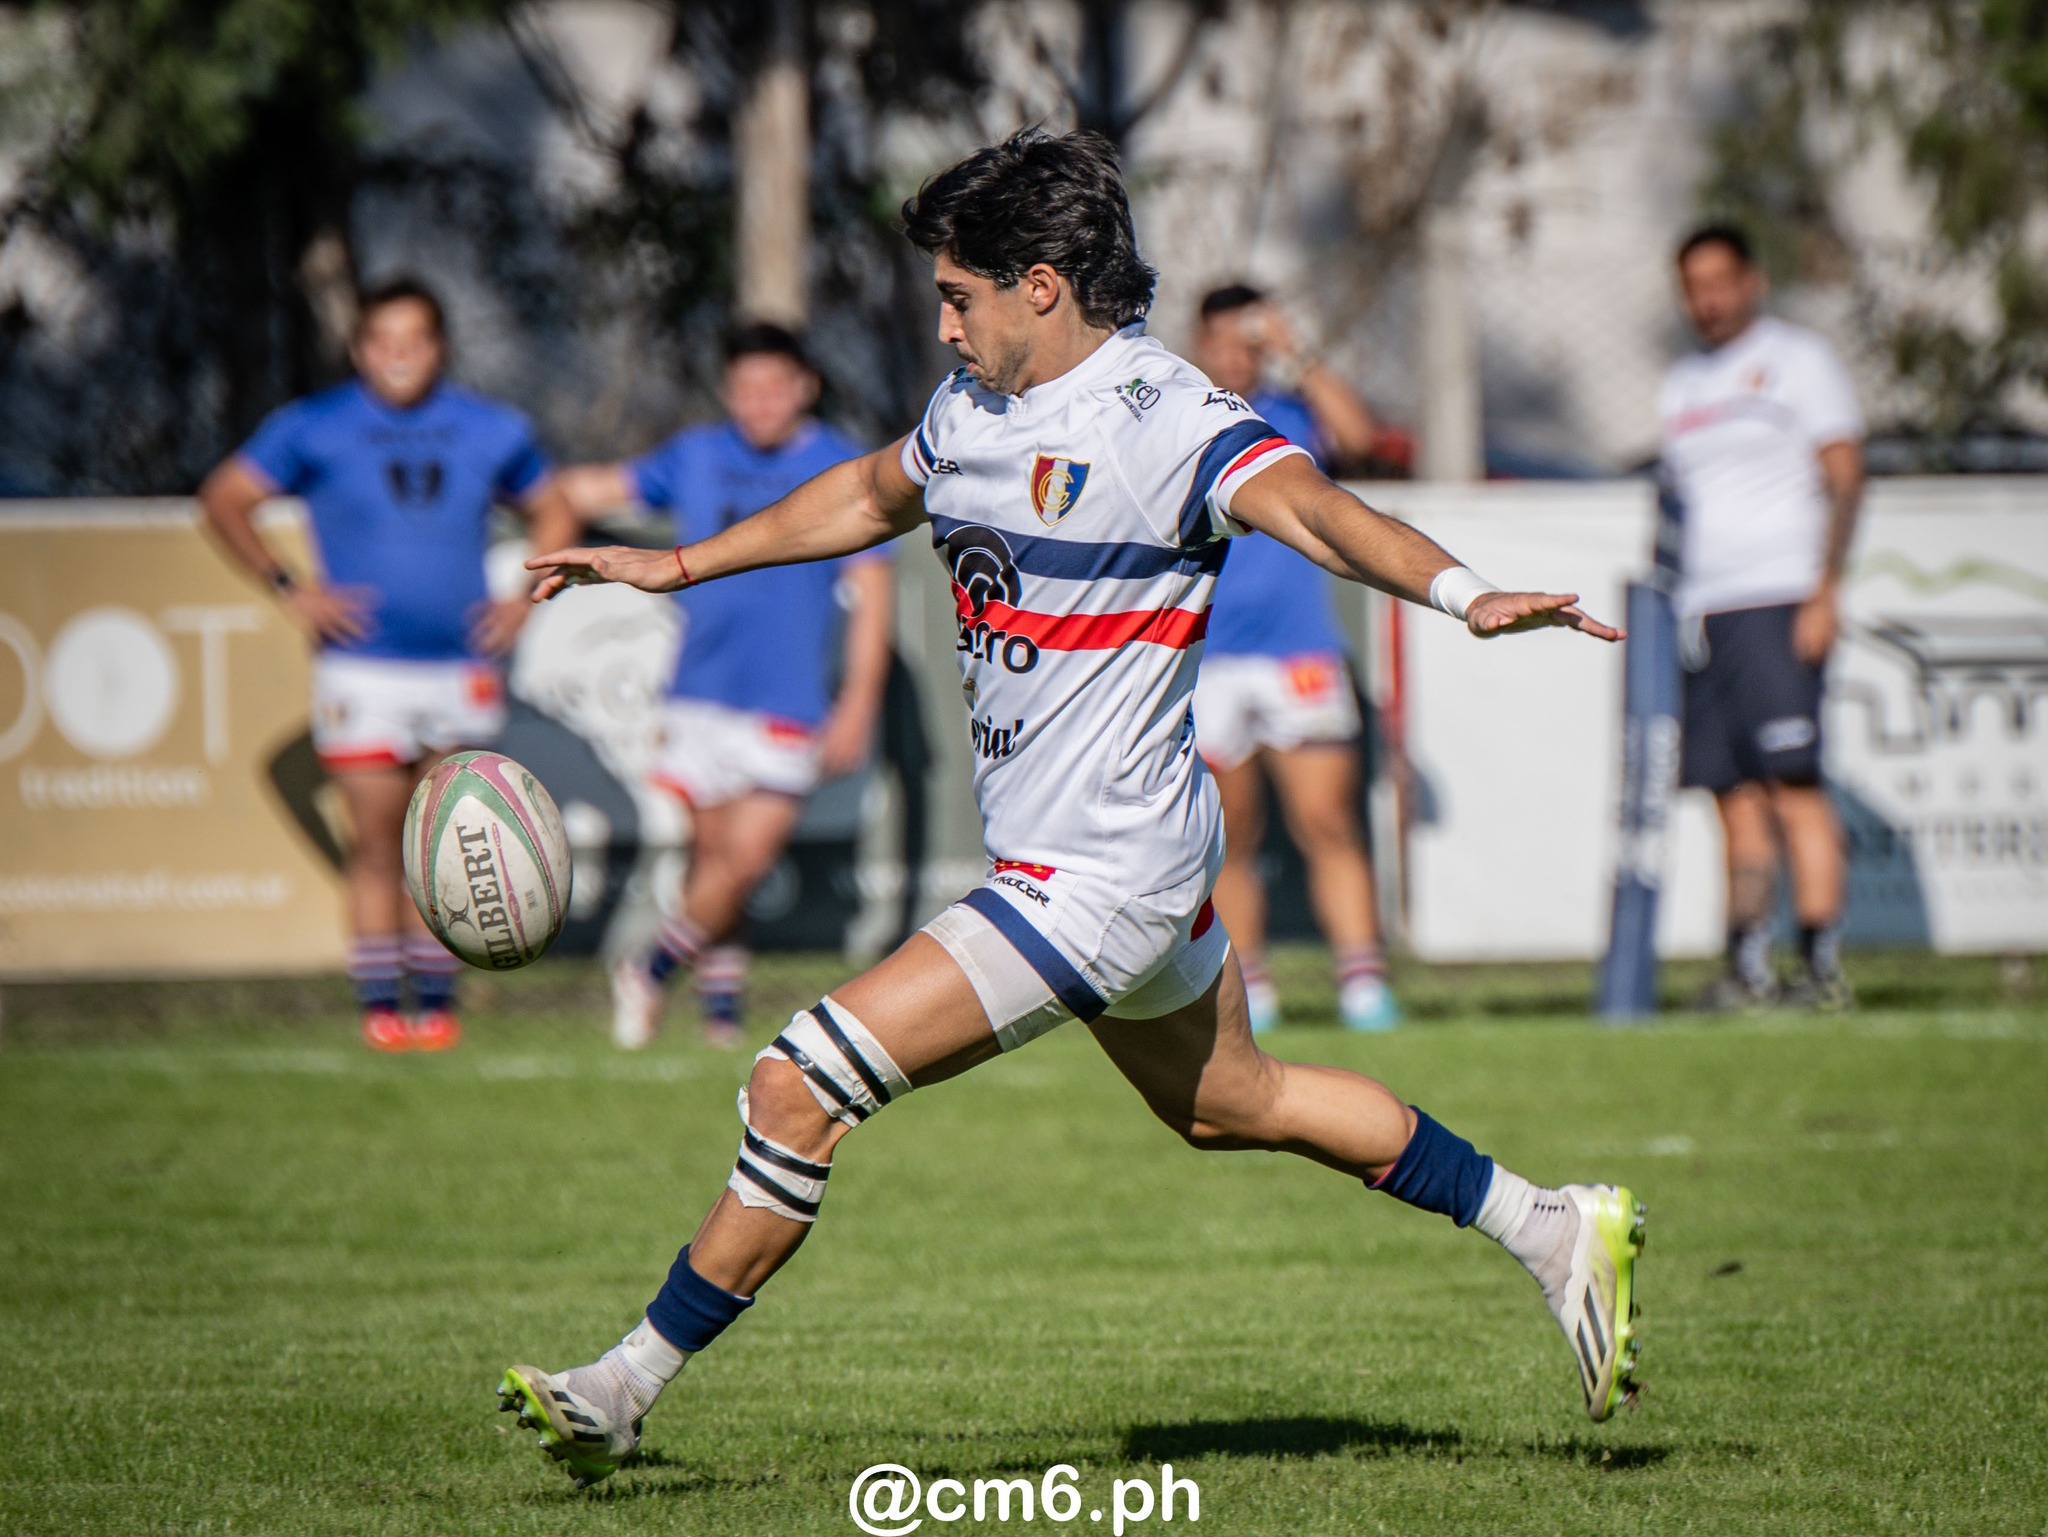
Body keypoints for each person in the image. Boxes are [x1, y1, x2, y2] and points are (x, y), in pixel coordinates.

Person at [499, 130, 1643, 1489]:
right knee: (1234, 1103)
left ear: (1041, 286)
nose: (942, 322)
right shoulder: (968, 414)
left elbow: (1322, 514)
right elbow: (868, 493)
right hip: (1117, 858)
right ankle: (1554, 1225)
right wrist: (680, 563)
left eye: (958, 296)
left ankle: (622, 1385)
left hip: (1100, 874)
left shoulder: (1172, 418)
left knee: (797, 1080)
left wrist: (1464, 593)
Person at [200, 278, 578, 1052]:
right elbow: (224, 498)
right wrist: (290, 589)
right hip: (363, 669)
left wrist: (520, 599)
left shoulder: (488, 427)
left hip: (459, 666)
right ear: (359, 348)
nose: (399, 356)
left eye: (416, 340)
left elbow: (557, 504)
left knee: (446, 843)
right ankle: (381, 1010)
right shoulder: (314, 425)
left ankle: (437, 1010)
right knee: (378, 841)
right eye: (384, 341)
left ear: (440, 347)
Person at [555, 324, 893, 1049]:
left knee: (746, 860)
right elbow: (578, 488)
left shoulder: (844, 468)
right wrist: (542, 521)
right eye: (745, 388)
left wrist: (859, 699)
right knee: (715, 866)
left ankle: (646, 969)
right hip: (700, 691)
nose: (759, 402)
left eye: (775, 386)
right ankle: (720, 1017)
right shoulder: (696, 454)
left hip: (789, 697)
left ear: (805, 387)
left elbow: (872, 593)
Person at [1661, 224, 1864, 1011]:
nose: (1708, 300)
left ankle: (1822, 968)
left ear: (1755, 281)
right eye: (1694, 286)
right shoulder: (1680, 385)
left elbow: (1845, 477)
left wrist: (1826, 590)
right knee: (1732, 794)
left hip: (1780, 598)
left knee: (1793, 786)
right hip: (1702, 610)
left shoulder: (1799, 361)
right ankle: (1747, 968)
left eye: (1721, 281)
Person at [1190, 283, 1396, 1033]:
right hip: (1208, 658)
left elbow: (1362, 435)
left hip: (1297, 652)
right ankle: (1256, 989)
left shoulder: (1295, 413)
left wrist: (1296, 349)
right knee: (1229, 832)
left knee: (1326, 819)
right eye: (1220, 340)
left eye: (1249, 339)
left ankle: (1364, 984)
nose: (1234, 355)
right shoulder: (1183, 418)